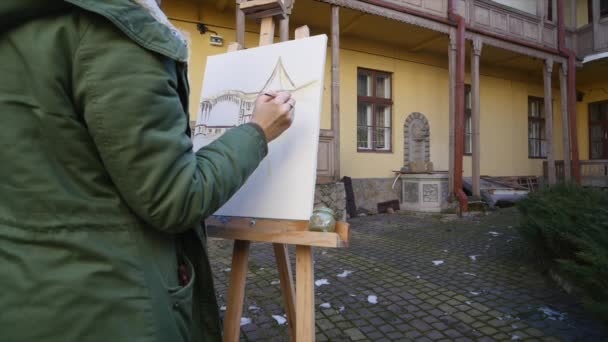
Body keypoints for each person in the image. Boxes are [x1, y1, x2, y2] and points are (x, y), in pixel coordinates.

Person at [0, 1, 295, 341]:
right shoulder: (112, 30)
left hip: (24, 295)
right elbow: (176, 196)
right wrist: (258, 131)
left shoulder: (21, 27)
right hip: (110, 306)